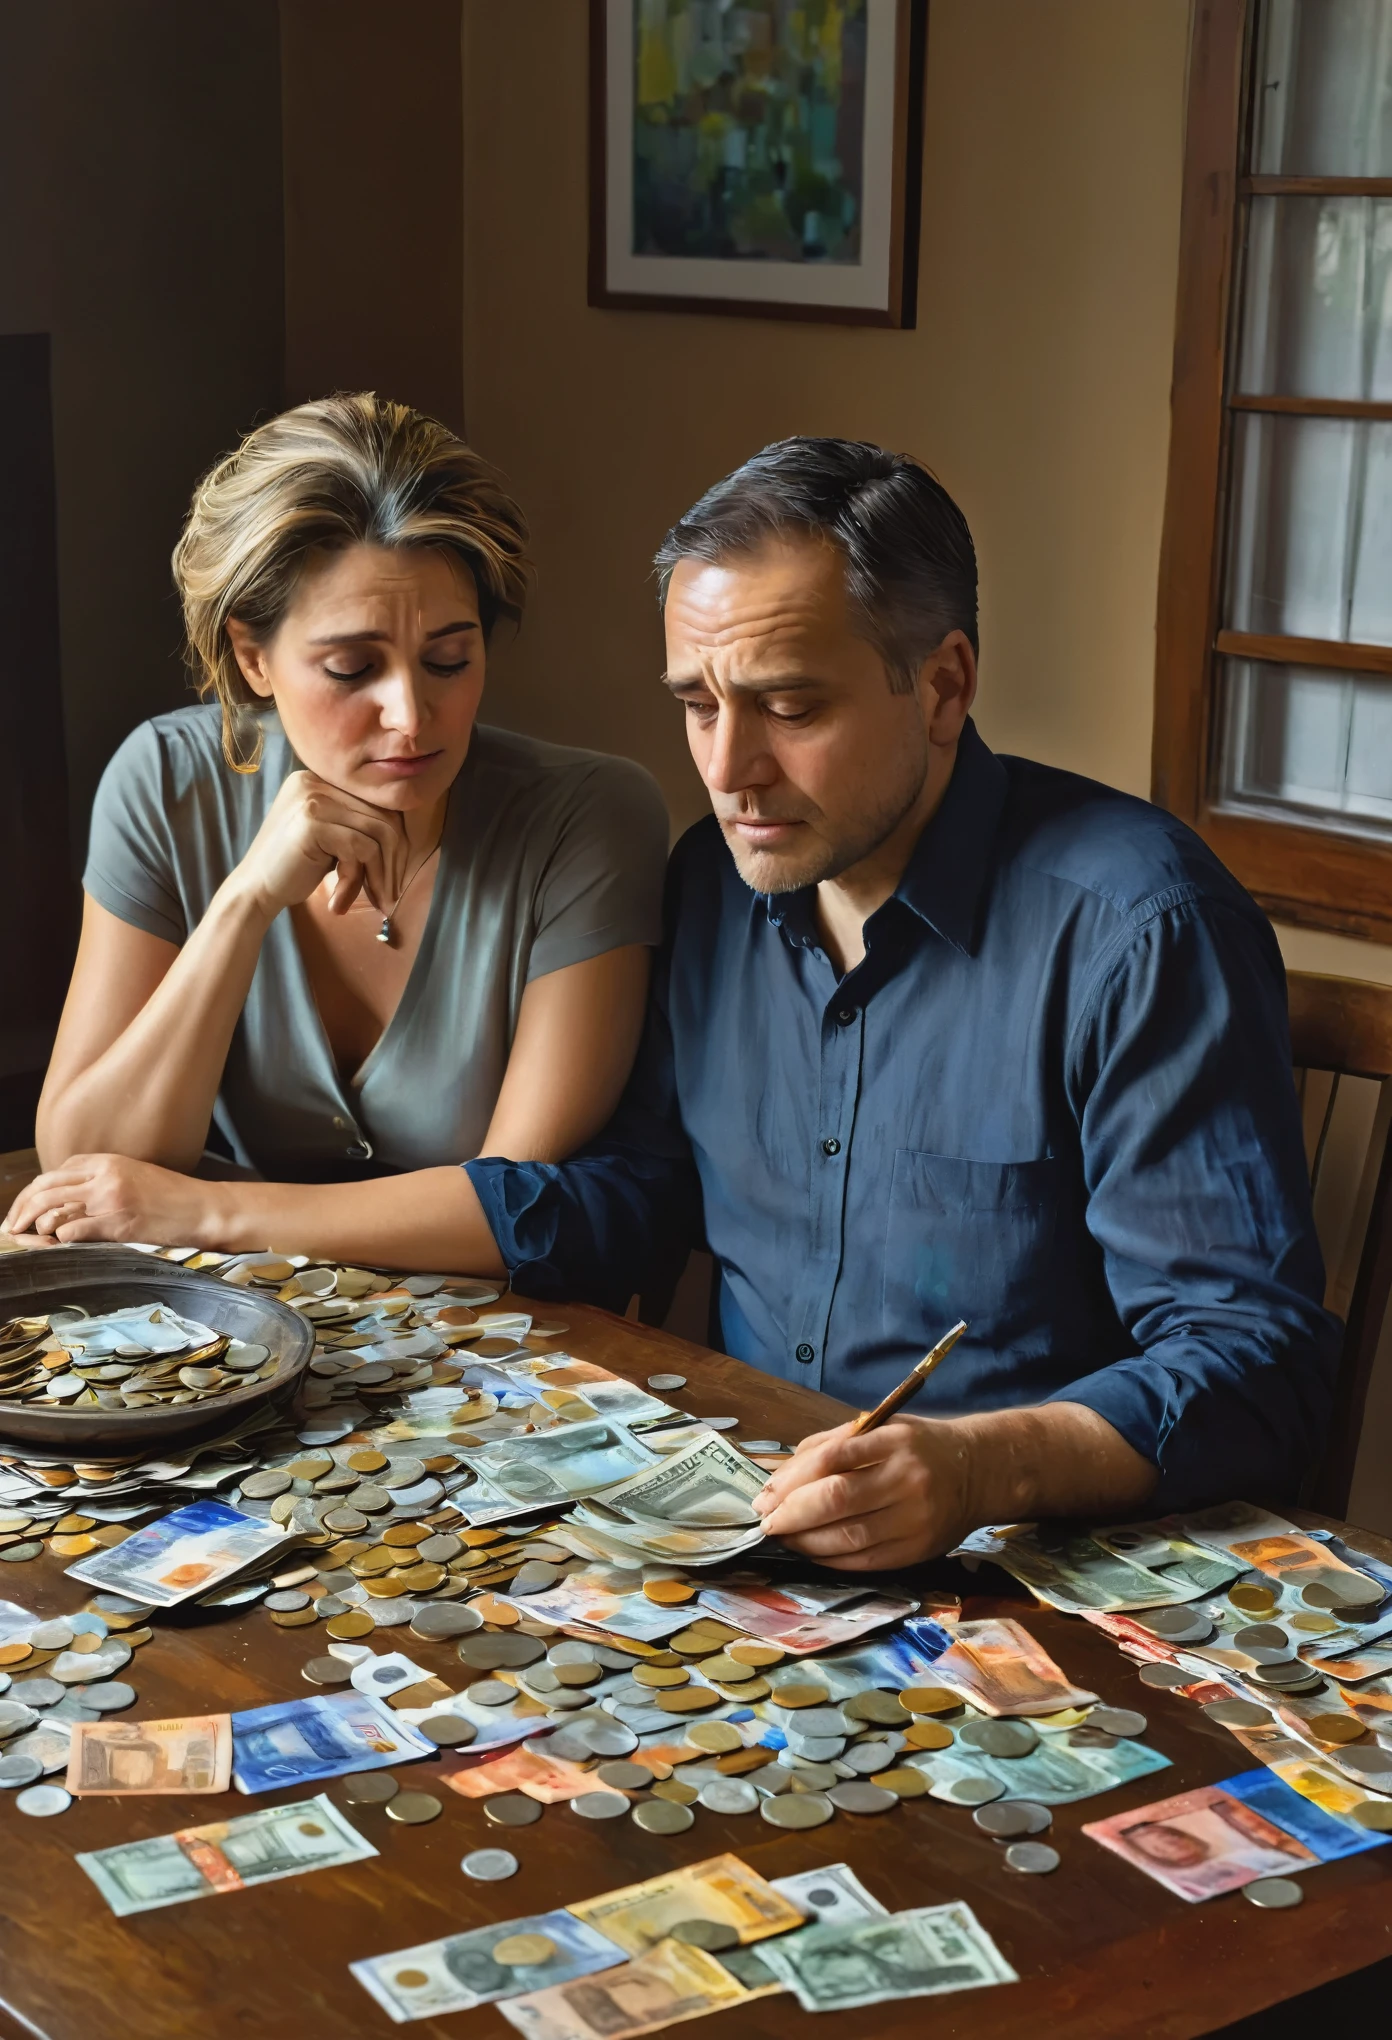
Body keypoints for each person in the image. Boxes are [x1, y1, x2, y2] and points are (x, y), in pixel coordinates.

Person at [460, 437, 1340, 1566]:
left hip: (1044, 1559)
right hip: (752, 1536)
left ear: (944, 685)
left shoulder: (1141, 930)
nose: (729, 769)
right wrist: (261, 1225)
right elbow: (635, 1197)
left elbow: (1255, 1360)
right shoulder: (710, 887)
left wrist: (979, 1467)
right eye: (697, 705)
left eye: (787, 706)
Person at [5, 394, 667, 1269]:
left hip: (488, 1358)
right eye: (352, 667)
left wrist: (211, 1212)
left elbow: (512, 1195)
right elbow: (87, 1156)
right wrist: (245, 901)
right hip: (221, 1333)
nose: (410, 715)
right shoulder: (165, 782)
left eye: (449, 660)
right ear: (253, 658)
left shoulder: (591, 820)